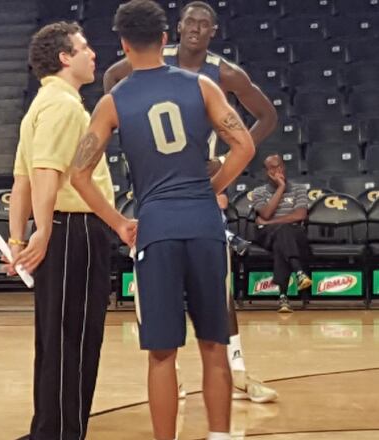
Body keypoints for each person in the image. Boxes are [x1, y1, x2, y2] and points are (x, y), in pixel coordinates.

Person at [69, 1, 255, 439]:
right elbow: (244, 145)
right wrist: (212, 187)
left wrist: (118, 222)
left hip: (155, 229)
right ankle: (221, 435)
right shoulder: (203, 87)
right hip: (205, 226)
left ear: (123, 45)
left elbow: (78, 173)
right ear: (166, 40)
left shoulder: (114, 101)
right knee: (215, 344)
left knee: (161, 354)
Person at [103, 0, 280, 404]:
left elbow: (267, 117)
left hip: (203, 187)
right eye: (190, 22)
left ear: (213, 31)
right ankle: (173, 374)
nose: (196, 29)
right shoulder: (151, 60)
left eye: (204, 23)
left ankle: (236, 370)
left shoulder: (224, 73)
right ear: (176, 29)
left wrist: (221, 166)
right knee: (159, 292)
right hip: (158, 189)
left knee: (219, 289)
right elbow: (112, 76)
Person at [7, 22, 136, 440]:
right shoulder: (63, 107)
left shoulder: (42, 104)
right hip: (74, 229)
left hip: (61, 229)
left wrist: (17, 239)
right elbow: (44, 172)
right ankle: (61, 433)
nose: (92, 54)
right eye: (84, 48)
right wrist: (42, 230)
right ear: (65, 57)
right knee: (75, 338)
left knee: (54, 337)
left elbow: (21, 180)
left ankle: (47, 428)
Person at [251, 154, 312, 313]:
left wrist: (269, 223)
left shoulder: (299, 189)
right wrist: (281, 188)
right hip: (266, 235)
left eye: (279, 166)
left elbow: (300, 215)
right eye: (272, 168)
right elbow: (265, 213)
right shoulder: (258, 192)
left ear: (284, 167)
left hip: (291, 233)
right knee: (283, 233)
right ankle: (299, 272)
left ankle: (283, 297)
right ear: (266, 171)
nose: (277, 170)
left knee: (282, 239)